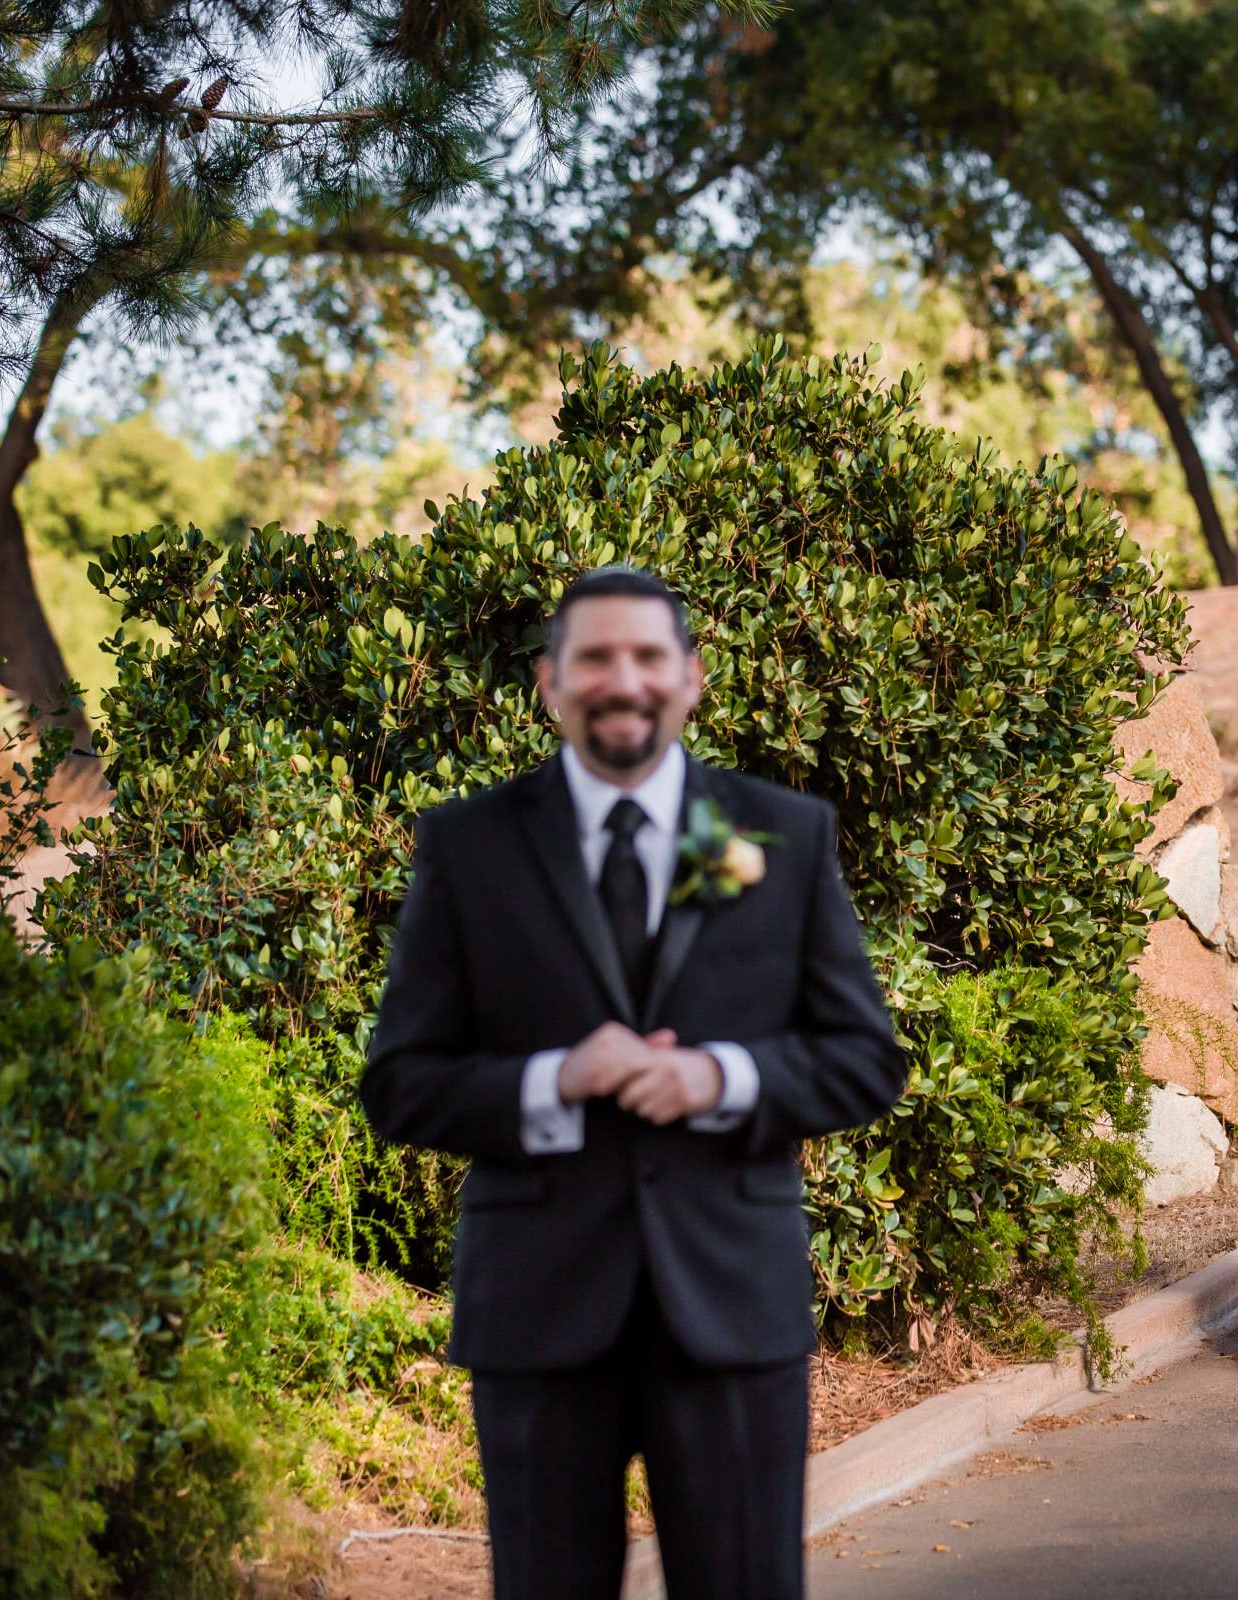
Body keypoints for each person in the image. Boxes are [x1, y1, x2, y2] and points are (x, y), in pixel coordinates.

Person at [360, 565, 904, 1598]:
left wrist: (720, 1076)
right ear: (548, 682)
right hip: (538, 1309)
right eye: (596, 656)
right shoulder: (470, 844)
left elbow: (863, 1057)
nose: (625, 679)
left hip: (732, 1305)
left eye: (649, 656)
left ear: (691, 679)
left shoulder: (778, 834)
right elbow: (401, 1083)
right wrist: (553, 1080)